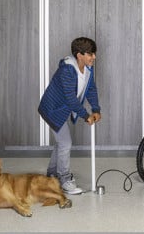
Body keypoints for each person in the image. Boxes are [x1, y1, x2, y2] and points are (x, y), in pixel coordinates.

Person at [38, 37, 101, 195]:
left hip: (63, 109)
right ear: (79, 55)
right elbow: (70, 98)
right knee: (65, 143)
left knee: (61, 143)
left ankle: (52, 173)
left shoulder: (87, 69)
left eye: (94, 54)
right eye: (90, 54)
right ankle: (64, 179)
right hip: (52, 109)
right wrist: (85, 115)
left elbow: (91, 89)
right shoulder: (67, 69)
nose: (94, 57)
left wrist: (96, 109)